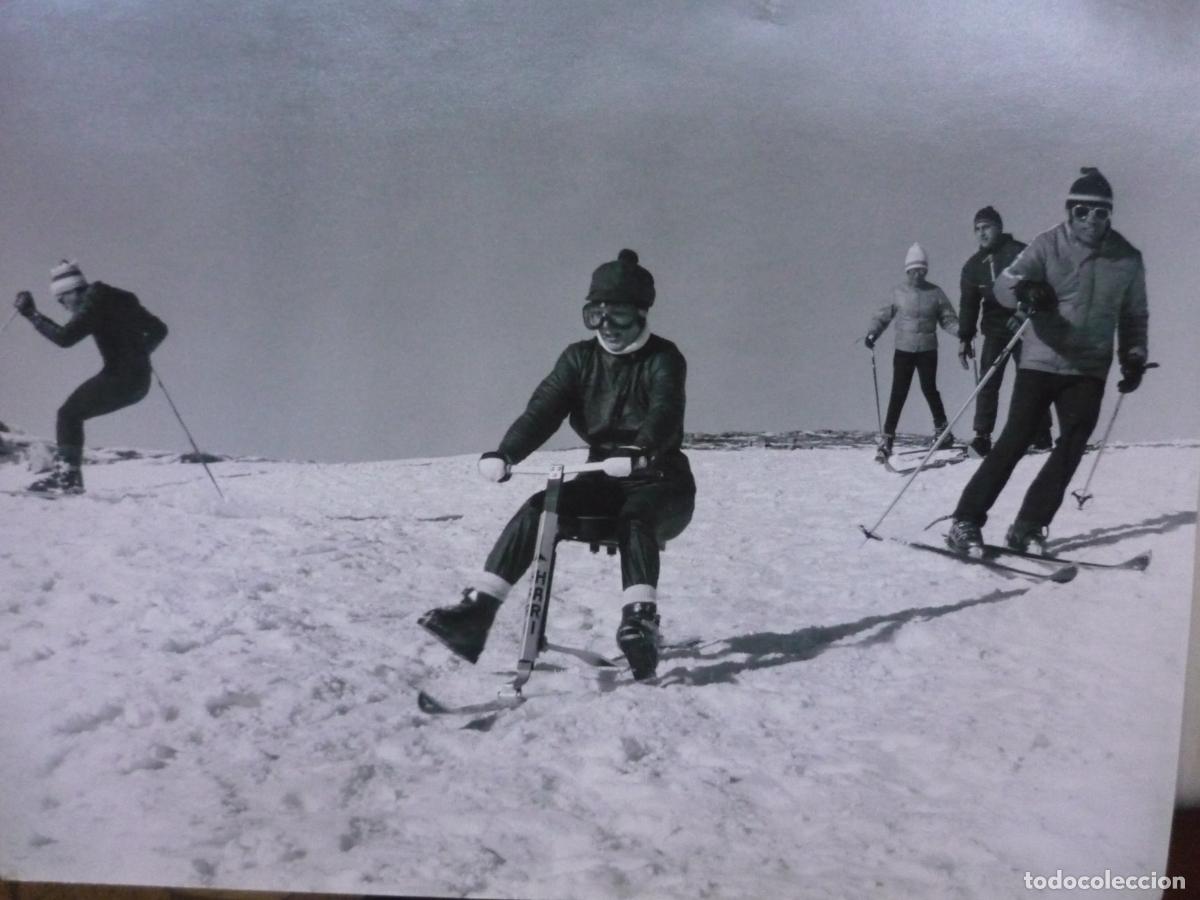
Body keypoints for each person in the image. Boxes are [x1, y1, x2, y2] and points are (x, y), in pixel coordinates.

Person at [418, 249, 696, 680]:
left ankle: (638, 623)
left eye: (619, 316)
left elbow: (665, 411)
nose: (609, 328)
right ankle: (477, 614)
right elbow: (544, 409)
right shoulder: (578, 359)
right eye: (597, 316)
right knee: (540, 508)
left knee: (635, 518)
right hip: (603, 473)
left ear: (642, 315)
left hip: (661, 478)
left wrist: (640, 450)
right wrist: (507, 452)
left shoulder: (664, 358)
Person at [946, 168, 1149, 554]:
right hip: (1041, 360)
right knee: (1015, 440)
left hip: (1089, 367)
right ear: (1071, 211)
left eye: (1101, 212)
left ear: (1110, 215)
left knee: (1071, 444)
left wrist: (1134, 355)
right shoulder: (1048, 244)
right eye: (1083, 211)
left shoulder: (1127, 259)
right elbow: (1005, 283)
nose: (1091, 219)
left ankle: (1028, 526)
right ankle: (965, 521)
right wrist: (1026, 288)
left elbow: (1134, 316)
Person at [13, 260, 168, 494]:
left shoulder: (95, 302)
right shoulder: (124, 297)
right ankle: (68, 477)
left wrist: (31, 314)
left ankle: (68, 479)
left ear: (73, 290)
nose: (63, 305)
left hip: (119, 377)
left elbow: (65, 338)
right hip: (139, 381)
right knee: (71, 413)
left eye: (61, 299)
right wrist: (140, 353)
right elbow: (159, 329)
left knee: (68, 414)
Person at [957, 206, 1052, 458]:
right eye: (977, 229)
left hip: (1024, 325)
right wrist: (965, 337)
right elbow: (968, 304)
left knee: (1031, 379)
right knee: (988, 380)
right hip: (995, 329)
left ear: (998, 227)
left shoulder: (1019, 252)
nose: (982, 233)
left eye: (986, 227)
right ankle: (982, 437)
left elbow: (1040, 285)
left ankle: (1042, 435)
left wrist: (1025, 310)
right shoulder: (973, 267)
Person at [865, 243, 960, 461]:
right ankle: (888, 437)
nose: (917, 274)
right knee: (899, 391)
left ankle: (942, 430)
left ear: (926, 270)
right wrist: (872, 334)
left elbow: (947, 318)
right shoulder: (898, 292)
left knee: (929, 388)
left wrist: (961, 332)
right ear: (907, 270)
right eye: (913, 270)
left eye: (921, 270)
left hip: (927, 349)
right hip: (904, 350)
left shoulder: (935, 293)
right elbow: (882, 316)